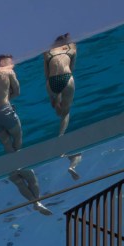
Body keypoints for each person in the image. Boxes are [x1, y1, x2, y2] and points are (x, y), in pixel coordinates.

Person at [0, 54, 52, 215]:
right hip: (5, 110)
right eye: (11, 63)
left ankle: (18, 176)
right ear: (3, 62)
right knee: (18, 138)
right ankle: (20, 169)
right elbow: (17, 92)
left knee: (7, 144)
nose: (13, 65)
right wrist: (7, 98)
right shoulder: (8, 72)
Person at [43, 33, 82, 179]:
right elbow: (72, 68)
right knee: (65, 113)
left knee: (57, 106)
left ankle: (55, 100)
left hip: (52, 82)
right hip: (67, 78)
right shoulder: (71, 48)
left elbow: (46, 74)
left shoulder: (47, 52)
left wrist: (52, 96)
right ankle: (61, 137)